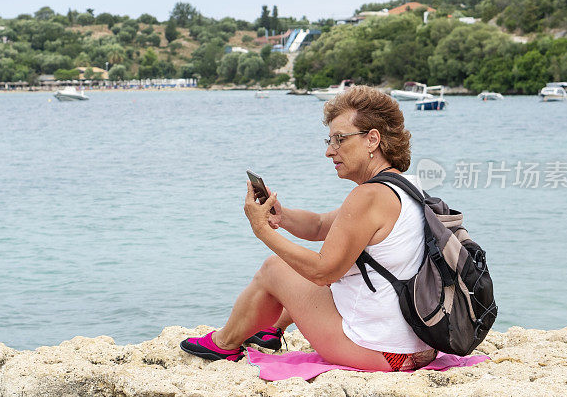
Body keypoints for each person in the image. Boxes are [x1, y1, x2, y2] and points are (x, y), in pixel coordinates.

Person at [180, 86, 436, 371]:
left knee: (274, 269)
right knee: (327, 273)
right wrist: (283, 216)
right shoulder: (404, 186)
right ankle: (271, 330)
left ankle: (224, 343)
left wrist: (262, 230)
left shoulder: (368, 196)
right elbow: (319, 225)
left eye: (340, 140)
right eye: (329, 140)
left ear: (372, 140)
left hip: (382, 353)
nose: (329, 151)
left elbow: (321, 271)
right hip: (419, 346)